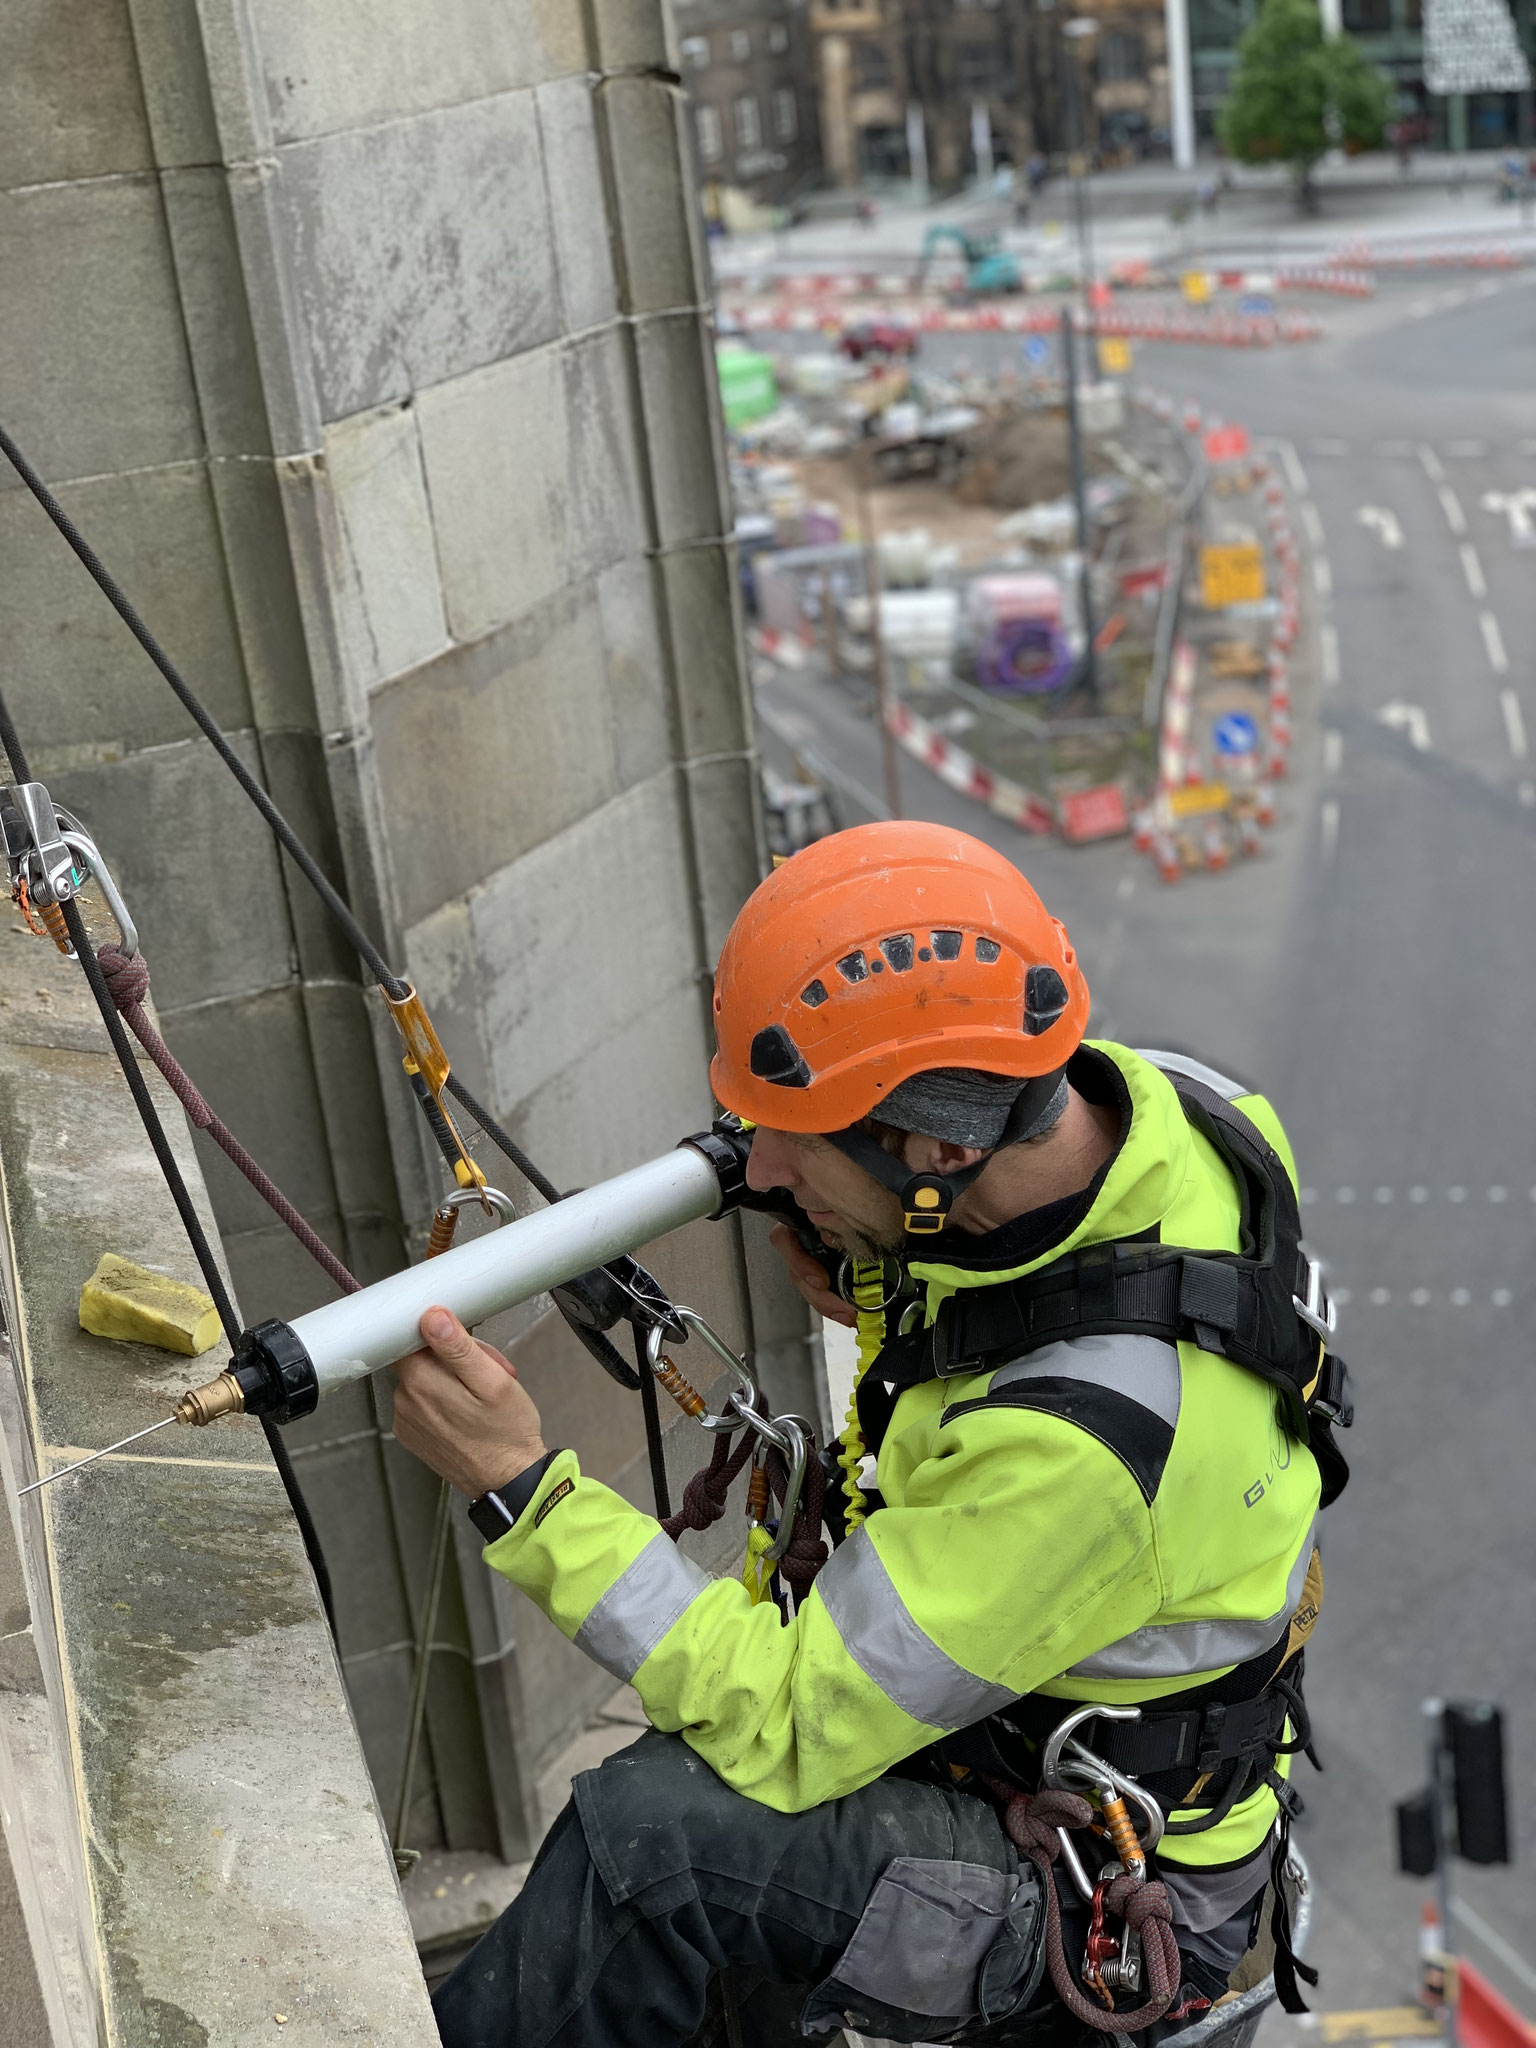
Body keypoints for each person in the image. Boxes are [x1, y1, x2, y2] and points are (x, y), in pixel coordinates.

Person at [392, 822, 1348, 2048]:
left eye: (800, 1133)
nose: (766, 1164)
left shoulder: (1089, 1451)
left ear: (946, 1150)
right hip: (1031, 1730)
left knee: (659, 1844)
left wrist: (521, 1488)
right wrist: (891, 1257)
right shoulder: (1165, 1108)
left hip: (1081, 1882)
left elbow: (790, 1727)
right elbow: (1031, 1259)